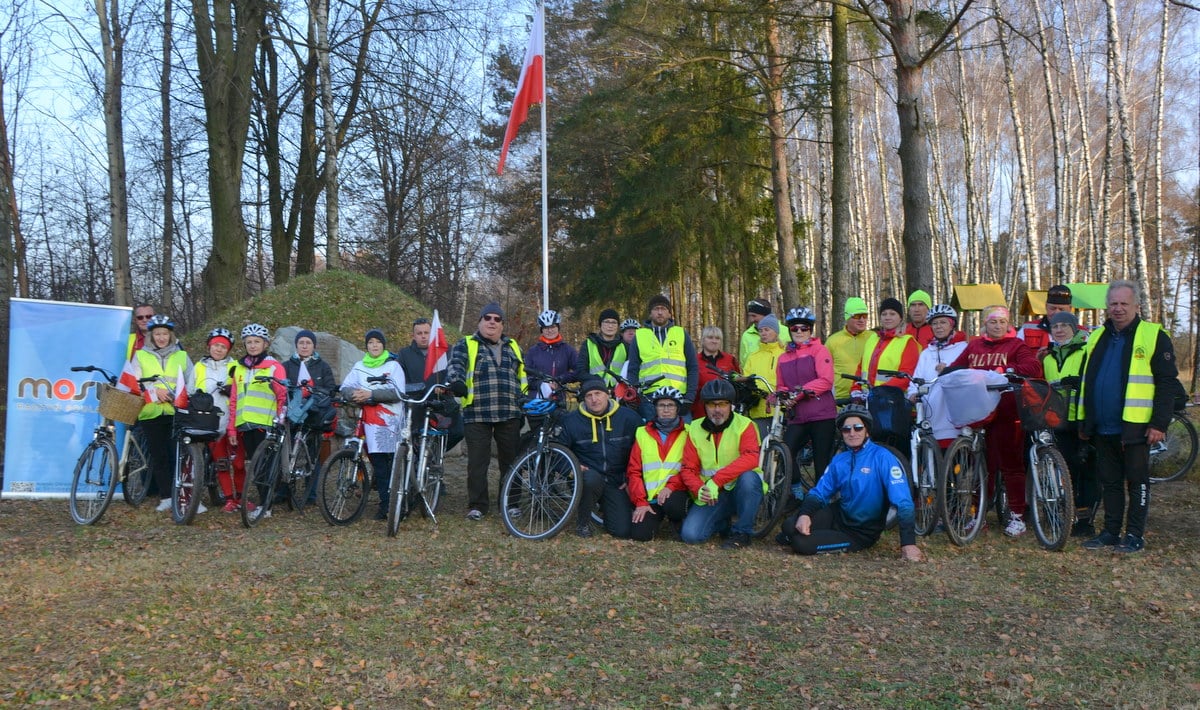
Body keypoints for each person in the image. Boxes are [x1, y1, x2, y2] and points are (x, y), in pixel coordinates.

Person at [1077, 280, 1178, 553]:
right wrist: (1084, 421)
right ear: (1107, 307)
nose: (1118, 309)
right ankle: (1110, 532)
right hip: (1102, 425)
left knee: (1137, 482)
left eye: (1124, 303)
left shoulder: (1153, 335)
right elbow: (1088, 380)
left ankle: (1134, 535)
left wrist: (1159, 423)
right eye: (1113, 304)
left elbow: (1167, 383)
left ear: (1136, 306)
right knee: (1109, 482)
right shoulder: (1097, 336)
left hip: (1137, 426)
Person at [946, 305, 1043, 537]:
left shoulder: (1016, 345)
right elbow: (958, 366)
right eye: (993, 322)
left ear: (1008, 324)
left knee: (1011, 464)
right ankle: (978, 514)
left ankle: (1017, 515)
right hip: (979, 410)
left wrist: (1008, 368)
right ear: (985, 324)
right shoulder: (975, 345)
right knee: (981, 465)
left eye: (1001, 322)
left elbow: (1033, 367)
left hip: (1008, 410)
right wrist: (942, 374)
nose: (997, 326)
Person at [778, 409, 924, 560]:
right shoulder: (840, 459)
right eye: (846, 429)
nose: (852, 433)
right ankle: (804, 533)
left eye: (858, 428)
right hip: (838, 515)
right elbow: (819, 492)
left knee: (800, 543)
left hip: (860, 532)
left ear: (867, 431)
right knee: (789, 525)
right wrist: (805, 514)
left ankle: (806, 538)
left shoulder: (883, 458)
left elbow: (904, 502)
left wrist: (908, 543)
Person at [447, 303, 529, 521]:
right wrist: (456, 382)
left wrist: (522, 404)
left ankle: (510, 503)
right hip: (477, 413)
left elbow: (523, 377)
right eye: (488, 318)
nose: (492, 322)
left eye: (497, 319)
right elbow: (455, 365)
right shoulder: (466, 343)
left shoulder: (514, 347)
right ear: (480, 321)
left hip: (509, 412)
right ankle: (477, 505)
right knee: (477, 463)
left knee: (511, 462)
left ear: (502, 325)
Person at [677, 379, 763, 549]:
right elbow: (688, 468)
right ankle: (723, 523)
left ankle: (742, 532)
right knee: (690, 535)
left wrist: (717, 480)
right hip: (712, 495)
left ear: (731, 405)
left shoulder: (745, 425)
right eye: (711, 404)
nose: (717, 410)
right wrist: (698, 488)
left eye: (722, 404)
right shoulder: (694, 428)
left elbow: (751, 457)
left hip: (740, 488)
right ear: (705, 406)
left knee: (749, 479)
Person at [560, 378, 643, 537]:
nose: (594, 399)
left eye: (598, 393)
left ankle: (606, 508)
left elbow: (644, 450)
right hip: (585, 478)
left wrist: (632, 477)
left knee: (622, 531)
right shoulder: (571, 421)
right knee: (590, 479)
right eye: (589, 395)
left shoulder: (629, 418)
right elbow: (557, 451)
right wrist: (571, 469)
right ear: (583, 399)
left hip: (616, 482)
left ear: (608, 395)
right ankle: (583, 523)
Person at [128, 315, 195, 512]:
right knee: (159, 456)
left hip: (176, 411)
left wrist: (177, 396)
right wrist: (155, 392)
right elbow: (135, 385)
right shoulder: (140, 355)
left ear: (171, 335)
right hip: (151, 412)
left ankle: (181, 493)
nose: (161, 337)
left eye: (165, 334)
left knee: (177, 455)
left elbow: (191, 382)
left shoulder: (181, 356)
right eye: (157, 334)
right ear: (151, 336)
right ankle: (166, 496)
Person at [340, 329, 406, 520]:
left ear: (383, 345)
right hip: (370, 424)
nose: (374, 345)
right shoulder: (360, 366)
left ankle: (397, 504)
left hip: (391, 422)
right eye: (370, 342)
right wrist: (355, 394)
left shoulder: (393, 366)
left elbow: (397, 392)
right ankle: (385, 505)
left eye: (378, 342)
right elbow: (345, 387)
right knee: (379, 466)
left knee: (392, 464)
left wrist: (371, 395)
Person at [1041, 310, 1096, 537]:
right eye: (1055, 326)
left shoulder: (1085, 351)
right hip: (1057, 421)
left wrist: (1079, 382)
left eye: (1065, 325)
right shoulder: (1048, 356)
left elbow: (1093, 382)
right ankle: (1064, 516)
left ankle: (1085, 521)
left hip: (1081, 419)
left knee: (1087, 472)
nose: (1060, 329)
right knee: (1066, 471)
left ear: (1075, 328)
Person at [227, 324, 287, 515]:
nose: (252, 346)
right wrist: (232, 429)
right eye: (249, 342)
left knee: (264, 467)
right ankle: (265, 502)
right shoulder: (239, 368)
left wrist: (280, 420)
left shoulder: (274, 367)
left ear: (265, 344)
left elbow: (282, 396)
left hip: (266, 423)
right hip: (245, 424)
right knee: (256, 466)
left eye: (257, 342)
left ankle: (266, 506)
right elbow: (235, 399)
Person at [775, 307, 836, 489]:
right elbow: (781, 385)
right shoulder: (783, 357)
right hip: (798, 416)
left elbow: (826, 380)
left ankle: (821, 500)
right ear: (789, 330)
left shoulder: (820, 350)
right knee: (786, 452)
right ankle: (794, 490)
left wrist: (800, 393)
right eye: (795, 328)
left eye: (804, 328)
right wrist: (782, 396)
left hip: (822, 415)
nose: (799, 332)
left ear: (810, 330)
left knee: (821, 460)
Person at [626, 387, 692, 541]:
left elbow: (690, 468)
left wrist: (671, 487)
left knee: (674, 506)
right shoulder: (642, 433)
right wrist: (640, 502)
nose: (666, 410)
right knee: (640, 535)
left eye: (671, 405)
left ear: (677, 408)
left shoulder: (689, 433)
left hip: (676, 492)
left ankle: (677, 520)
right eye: (662, 405)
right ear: (655, 408)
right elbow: (634, 471)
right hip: (651, 498)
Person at [283, 329, 338, 503]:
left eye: (308, 343)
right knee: (285, 453)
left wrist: (315, 394)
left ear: (314, 346)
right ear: (296, 345)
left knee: (312, 455)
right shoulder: (286, 365)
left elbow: (330, 388)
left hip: (313, 414)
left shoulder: (322, 366)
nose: (304, 346)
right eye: (301, 343)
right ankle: (283, 491)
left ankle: (311, 493)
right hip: (292, 413)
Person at [396, 317, 464, 453]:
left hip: (442, 402)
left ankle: (435, 453)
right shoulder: (404, 354)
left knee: (459, 430)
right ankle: (416, 463)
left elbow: (453, 372)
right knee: (413, 439)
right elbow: (400, 378)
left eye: (426, 333)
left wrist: (446, 386)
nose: (423, 336)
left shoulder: (446, 350)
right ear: (413, 336)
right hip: (417, 403)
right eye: (419, 333)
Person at [628, 295, 698, 420]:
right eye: (656, 309)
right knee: (651, 437)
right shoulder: (639, 336)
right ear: (650, 313)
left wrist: (690, 397)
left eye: (663, 309)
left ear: (670, 313)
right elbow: (633, 369)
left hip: (679, 396)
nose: (660, 312)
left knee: (685, 436)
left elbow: (692, 368)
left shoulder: (681, 333)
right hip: (649, 398)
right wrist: (636, 395)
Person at [907, 304, 968, 446]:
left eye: (943, 322)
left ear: (952, 324)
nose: (938, 326)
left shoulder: (964, 348)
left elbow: (969, 376)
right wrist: (912, 394)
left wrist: (949, 370)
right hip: (930, 419)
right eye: (934, 323)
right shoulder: (926, 353)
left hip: (955, 419)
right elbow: (915, 380)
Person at [194, 327, 238, 511]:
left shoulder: (235, 366)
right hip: (207, 420)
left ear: (228, 350)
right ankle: (228, 497)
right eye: (215, 345)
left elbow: (241, 390)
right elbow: (190, 389)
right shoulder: (199, 366)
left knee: (236, 462)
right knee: (221, 462)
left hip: (229, 420)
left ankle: (238, 496)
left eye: (223, 347)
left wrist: (231, 390)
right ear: (209, 346)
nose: (219, 349)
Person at [852, 297, 919, 394]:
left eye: (892, 314)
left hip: (892, 400)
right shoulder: (872, 338)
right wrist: (855, 389)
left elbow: (907, 375)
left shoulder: (907, 342)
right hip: (865, 398)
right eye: (884, 314)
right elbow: (861, 368)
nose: (887, 317)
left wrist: (879, 392)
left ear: (900, 317)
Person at [741, 314, 785, 431]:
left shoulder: (784, 355)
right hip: (758, 410)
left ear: (776, 332)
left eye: (767, 330)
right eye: (760, 330)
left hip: (780, 410)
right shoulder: (753, 357)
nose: (763, 333)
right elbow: (746, 380)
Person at [826, 297, 873, 401]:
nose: (862, 320)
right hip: (840, 399)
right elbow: (824, 372)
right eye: (857, 316)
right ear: (847, 317)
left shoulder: (874, 338)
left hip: (867, 397)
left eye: (865, 316)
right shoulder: (832, 341)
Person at [693, 326, 740, 421]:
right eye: (710, 337)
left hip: (725, 411)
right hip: (701, 411)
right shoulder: (694, 361)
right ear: (703, 340)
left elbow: (737, 382)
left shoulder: (730, 359)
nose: (714, 341)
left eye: (717, 338)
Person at [526, 310, 578, 394]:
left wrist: (561, 379)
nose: (549, 330)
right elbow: (525, 376)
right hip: (538, 399)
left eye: (553, 326)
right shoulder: (533, 351)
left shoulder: (568, 350)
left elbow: (579, 371)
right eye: (546, 328)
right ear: (541, 330)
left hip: (559, 398)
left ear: (558, 328)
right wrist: (542, 385)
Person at [576, 308, 628, 387]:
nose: (610, 326)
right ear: (600, 324)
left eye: (614, 322)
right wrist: (595, 380)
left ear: (618, 326)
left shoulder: (625, 345)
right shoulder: (588, 344)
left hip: (619, 392)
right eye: (606, 322)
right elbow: (580, 372)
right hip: (594, 390)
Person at [1020, 284, 1074, 352]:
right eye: (1052, 308)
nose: (1056, 313)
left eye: (1061, 309)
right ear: (1046, 306)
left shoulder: (1081, 333)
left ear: (1070, 309)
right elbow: (1013, 355)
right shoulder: (1027, 328)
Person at [739, 298, 772, 365]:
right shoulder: (747, 335)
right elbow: (743, 363)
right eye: (750, 316)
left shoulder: (785, 332)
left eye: (754, 316)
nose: (751, 320)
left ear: (766, 316)